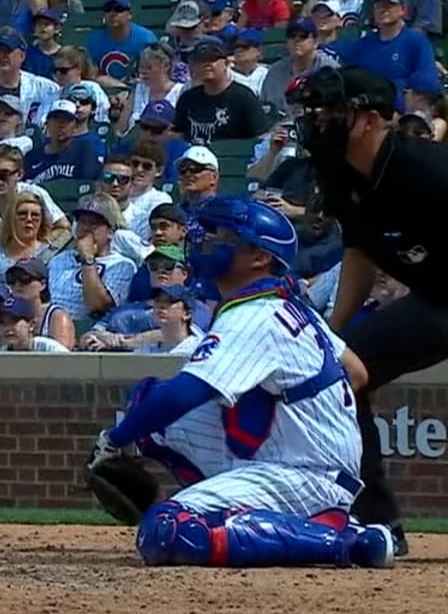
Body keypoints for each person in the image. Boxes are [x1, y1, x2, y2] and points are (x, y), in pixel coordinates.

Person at [85, 196, 394, 569]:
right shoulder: (285, 302)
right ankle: (248, 511)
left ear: (259, 257)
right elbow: (356, 372)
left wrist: (113, 440)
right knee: (147, 403)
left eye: (224, 237)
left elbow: (186, 393)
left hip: (305, 473)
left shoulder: (255, 314)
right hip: (290, 456)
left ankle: (346, 541)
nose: (207, 242)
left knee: (169, 530)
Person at [291, 66, 448, 558]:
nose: (321, 121)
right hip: (436, 298)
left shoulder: (428, 170)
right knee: (342, 372)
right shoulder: (342, 170)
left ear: (371, 120)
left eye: (335, 111)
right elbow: (360, 250)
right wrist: (333, 333)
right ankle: (377, 521)